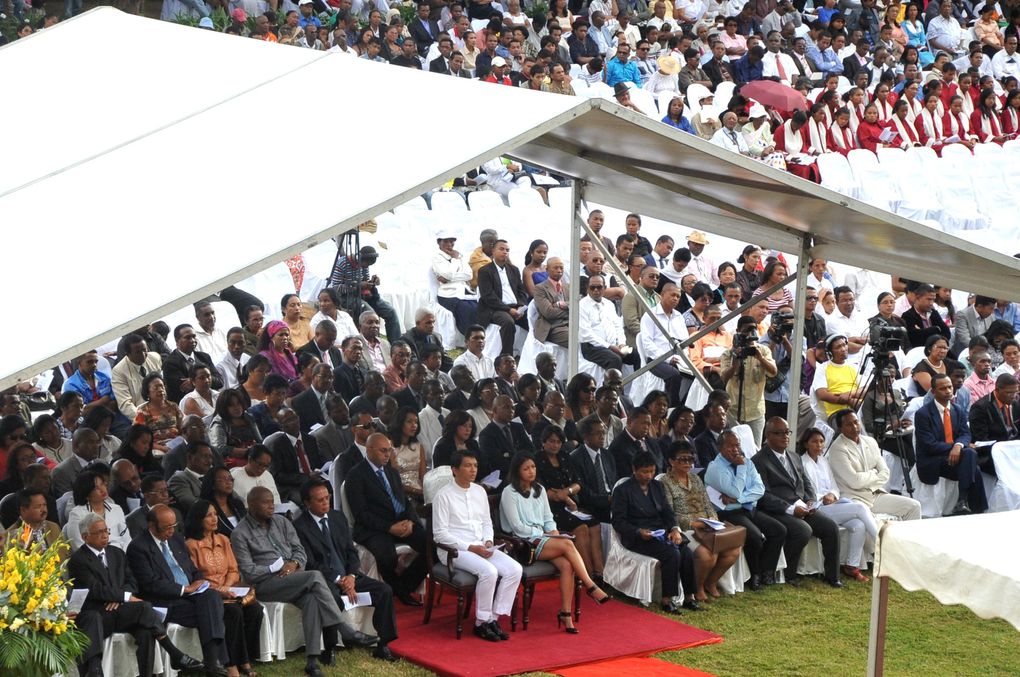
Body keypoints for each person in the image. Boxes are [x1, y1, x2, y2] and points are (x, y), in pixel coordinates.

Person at [232, 487, 374, 676]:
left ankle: (312, 661)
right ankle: (344, 629)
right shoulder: (240, 533)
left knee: (312, 600)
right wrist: (272, 568)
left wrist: (294, 563)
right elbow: (248, 571)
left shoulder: (282, 522)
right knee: (315, 576)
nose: (271, 506)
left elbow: (300, 551)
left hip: (294, 577)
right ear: (251, 505)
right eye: (265, 502)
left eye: (272, 501)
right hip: (266, 584)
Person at [69, 513, 204, 677]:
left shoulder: (116, 553)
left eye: (106, 530)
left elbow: (132, 582)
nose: (105, 535)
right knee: (144, 606)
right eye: (99, 532)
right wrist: (124, 597)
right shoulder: (78, 560)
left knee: (146, 631)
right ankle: (174, 653)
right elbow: (96, 589)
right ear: (85, 537)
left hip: (121, 611)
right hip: (99, 615)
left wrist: (120, 598)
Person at [500, 452, 610, 633]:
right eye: (526, 468)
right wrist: (545, 534)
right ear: (517, 471)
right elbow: (517, 527)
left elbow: (548, 518)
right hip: (523, 543)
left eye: (533, 467)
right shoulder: (509, 492)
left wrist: (553, 533)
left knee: (567, 565)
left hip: (543, 538)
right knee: (568, 545)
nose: (531, 471)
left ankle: (566, 614)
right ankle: (591, 586)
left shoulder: (540, 490)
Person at [294, 479, 398, 661]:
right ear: (307, 503)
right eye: (320, 500)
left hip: (349, 575)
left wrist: (350, 576)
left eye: (327, 497)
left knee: (384, 591)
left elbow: (351, 552)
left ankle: (382, 644)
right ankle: (330, 649)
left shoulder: (337, 517)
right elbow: (310, 563)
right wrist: (339, 579)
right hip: (325, 579)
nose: (326, 502)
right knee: (330, 598)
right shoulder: (300, 526)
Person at [126, 504, 230, 676]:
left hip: (192, 594)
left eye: (174, 526)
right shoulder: (138, 547)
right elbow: (150, 584)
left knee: (211, 596)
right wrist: (185, 589)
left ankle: (211, 664)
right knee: (213, 612)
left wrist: (199, 582)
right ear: (151, 525)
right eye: (167, 527)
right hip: (166, 600)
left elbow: (192, 569)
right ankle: (215, 663)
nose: (171, 531)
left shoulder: (176, 540)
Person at [432, 450, 523, 641]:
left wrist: (488, 540)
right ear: (454, 470)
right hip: (454, 549)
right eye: (467, 465)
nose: (473, 470)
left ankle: (492, 618)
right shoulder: (443, 495)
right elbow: (440, 534)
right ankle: (481, 622)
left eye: (475, 465)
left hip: (482, 545)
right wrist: (472, 548)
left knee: (515, 569)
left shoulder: (479, 491)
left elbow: (486, 522)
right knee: (489, 572)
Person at [753, 418, 842, 588]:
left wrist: (810, 500)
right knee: (803, 530)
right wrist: (790, 509)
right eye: (779, 433)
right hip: (778, 510)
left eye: (787, 432)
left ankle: (832, 576)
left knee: (831, 527)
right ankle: (788, 574)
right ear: (768, 435)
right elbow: (762, 494)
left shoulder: (794, 456)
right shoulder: (759, 460)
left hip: (802, 505)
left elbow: (806, 483)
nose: (785, 436)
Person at [344, 431, 429, 605]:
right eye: (383, 450)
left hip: (401, 522)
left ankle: (403, 586)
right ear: (369, 450)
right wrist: (390, 527)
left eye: (389, 450)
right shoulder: (356, 475)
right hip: (374, 528)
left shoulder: (392, 472)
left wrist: (411, 522)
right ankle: (400, 590)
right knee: (386, 555)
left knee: (432, 546)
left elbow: (405, 502)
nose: (387, 454)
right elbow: (362, 515)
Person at [612, 450, 701, 612]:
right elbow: (618, 522)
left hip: (660, 531)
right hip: (637, 536)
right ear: (634, 469)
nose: (648, 476)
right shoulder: (623, 490)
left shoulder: (657, 486)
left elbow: (667, 511)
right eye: (644, 472)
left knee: (686, 552)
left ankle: (689, 597)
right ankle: (667, 599)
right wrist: (638, 531)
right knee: (671, 553)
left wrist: (674, 529)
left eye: (652, 471)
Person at [184, 500, 264, 677]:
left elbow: (234, 569)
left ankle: (247, 656)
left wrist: (228, 586)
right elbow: (196, 578)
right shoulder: (191, 545)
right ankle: (232, 663)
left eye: (215, 514)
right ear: (198, 519)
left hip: (231, 589)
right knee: (233, 613)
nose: (215, 518)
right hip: (210, 594)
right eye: (209, 515)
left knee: (256, 610)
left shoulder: (223, 539)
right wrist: (220, 590)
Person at [704, 430, 787, 591]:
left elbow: (759, 489)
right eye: (731, 446)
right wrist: (740, 469)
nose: (736, 450)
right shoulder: (715, 467)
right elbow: (734, 491)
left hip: (747, 508)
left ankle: (767, 572)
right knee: (754, 536)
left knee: (779, 530)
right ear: (721, 448)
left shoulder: (747, 462)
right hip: (728, 513)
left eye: (738, 445)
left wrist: (740, 499)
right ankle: (755, 575)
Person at [660, 440, 741, 602]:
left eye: (690, 459)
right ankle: (697, 587)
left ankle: (711, 582)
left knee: (733, 550)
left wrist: (712, 518)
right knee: (706, 554)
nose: (688, 463)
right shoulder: (664, 482)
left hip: (707, 525)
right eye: (682, 459)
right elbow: (668, 513)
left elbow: (707, 503)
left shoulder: (695, 478)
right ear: (671, 461)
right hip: (685, 528)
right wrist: (692, 523)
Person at [797, 427, 877, 582]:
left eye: (821, 441)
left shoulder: (824, 461)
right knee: (860, 507)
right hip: (818, 509)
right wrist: (823, 497)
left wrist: (832, 494)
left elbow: (834, 486)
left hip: (832, 503)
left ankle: (851, 566)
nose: (819, 445)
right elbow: (807, 491)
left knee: (858, 524)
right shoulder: (801, 462)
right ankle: (882, 542)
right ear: (806, 444)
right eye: (814, 442)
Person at [827, 409, 922, 521]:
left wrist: (868, 476)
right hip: (854, 498)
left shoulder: (870, 441)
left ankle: (907, 539)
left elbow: (886, 474)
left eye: (856, 422)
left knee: (914, 506)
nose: (854, 427)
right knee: (873, 522)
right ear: (840, 428)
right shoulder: (837, 449)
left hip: (876, 494)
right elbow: (855, 482)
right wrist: (874, 473)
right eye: (849, 424)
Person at [914, 374, 988, 515]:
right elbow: (929, 445)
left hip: (955, 457)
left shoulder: (957, 409)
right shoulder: (923, 414)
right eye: (943, 388)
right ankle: (973, 507)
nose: (948, 391)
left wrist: (958, 446)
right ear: (933, 392)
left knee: (970, 457)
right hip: (933, 459)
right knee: (972, 463)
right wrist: (954, 447)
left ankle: (963, 503)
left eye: (950, 387)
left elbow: (966, 434)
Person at [477, 240, 529, 356]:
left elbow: (521, 291)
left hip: (515, 307)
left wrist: (521, 306)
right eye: (501, 249)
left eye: (507, 250)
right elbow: (488, 296)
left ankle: (530, 355)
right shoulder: (485, 271)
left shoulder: (513, 270)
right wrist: (509, 310)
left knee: (533, 320)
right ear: (493, 251)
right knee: (508, 322)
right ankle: (507, 357)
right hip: (495, 308)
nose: (505, 252)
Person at [264, 408, 319, 503]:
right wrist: (305, 477)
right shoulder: (277, 445)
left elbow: (317, 462)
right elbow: (277, 475)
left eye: (295, 418)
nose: (294, 422)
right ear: (281, 426)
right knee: (306, 500)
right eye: (289, 421)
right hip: (293, 486)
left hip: (314, 479)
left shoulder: (310, 439)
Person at [112, 334, 164, 421]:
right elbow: (125, 404)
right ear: (127, 354)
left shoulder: (154, 357)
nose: (143, 355)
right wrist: (147, 417)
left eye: (145, 350)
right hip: (139, 415)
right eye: (138, 352)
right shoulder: (119, 371)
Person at [134, 374, 183, 455]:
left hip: (176, 444)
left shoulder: (173, 406)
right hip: (156, 447)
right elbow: (140, 439)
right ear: (147, 392)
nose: (160, 390)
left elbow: (181, 430)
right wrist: (163, 448)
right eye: (156, 387)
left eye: (162, 386)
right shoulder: (142, 411)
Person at [168, 440, 215, 515]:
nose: (209, 461)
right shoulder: (178, 479)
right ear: (190, 457)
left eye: (210, 457)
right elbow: (192, 504)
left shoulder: (213, 477)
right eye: (205, 456)